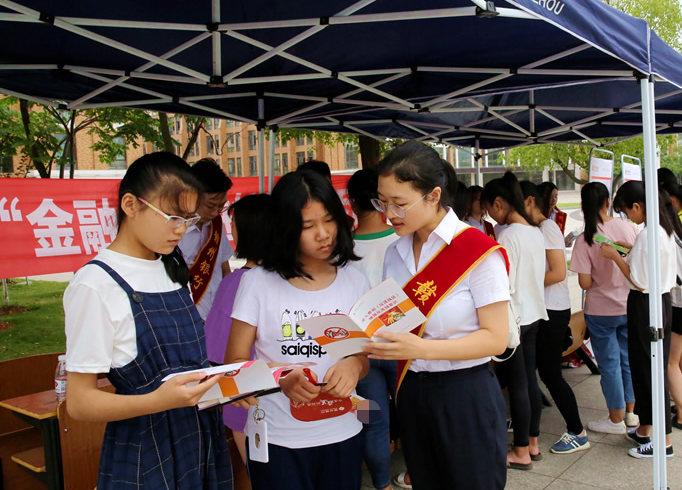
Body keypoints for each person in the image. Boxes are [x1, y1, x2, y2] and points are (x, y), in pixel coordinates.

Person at [63, 152, 232, 489]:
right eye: (172, 217)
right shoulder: (95, 284)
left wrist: (236, 383)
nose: (181, 230)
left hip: (199, 436)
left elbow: (188, 364)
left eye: (187, 218)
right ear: (130, 204)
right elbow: (79, 403)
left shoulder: (172, 268)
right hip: (145, 447)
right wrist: (159, 401)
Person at [365, 141, 511, 490]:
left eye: (399, 203)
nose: (389, 214)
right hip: (413, 392)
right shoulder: (394, 253)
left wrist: (420, 350)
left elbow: (495, 338)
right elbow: (397, 321)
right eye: (382, 202)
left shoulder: (477, 251)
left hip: (465, 394)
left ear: (433, 195)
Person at [226, 169, 370, 490]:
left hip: (342, 431)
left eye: (329, 220)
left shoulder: (354, 280)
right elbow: (235, 364)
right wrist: (281, 378)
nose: (323, 234)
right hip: (276, 438)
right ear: (285, 228)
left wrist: (352, 365)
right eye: (308, 226)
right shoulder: (257, 283)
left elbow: (363, 360)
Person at [600, 180, 680, 458]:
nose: (626, 217)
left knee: (647, 370)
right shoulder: (663, 229)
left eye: (626, 211)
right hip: (661, 303)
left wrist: (614, 256)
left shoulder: (648, 234)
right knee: (646, 366)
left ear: (638, 206)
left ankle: (663, 441)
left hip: (646, 305)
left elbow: (640, 281)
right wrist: (628, 250)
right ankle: (646, 428)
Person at [482, 172, 552, 468]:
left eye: (489, 209)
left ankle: (521, 450)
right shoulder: (535, 231)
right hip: (534, 314)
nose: (489, 216)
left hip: (515, 319)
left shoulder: (508, 236)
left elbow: (503, 285)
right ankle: (532, 443)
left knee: (518, 385)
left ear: (499, 203)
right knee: (529, 382)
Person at [520, 181, 589, 452]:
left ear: (527, 201)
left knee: (550, 374)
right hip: (542, 308)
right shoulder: (537, 228)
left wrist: (523, 284)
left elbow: (559, 273)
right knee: (531, 372)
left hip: (552, 311)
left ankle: (577, 431)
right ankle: (525, 421)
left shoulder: (547, 227)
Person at [203, 193, 272, 464]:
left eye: (234, 225)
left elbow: (216, 348)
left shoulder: (237, 282)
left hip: (246, 397)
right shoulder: (295, 279)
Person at [569, 182, 639, 433]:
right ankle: (631, 414)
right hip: (629, 306)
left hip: (600, 310)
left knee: (609, 364)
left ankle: (615, 418)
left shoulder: (584, 239)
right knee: (628, 360)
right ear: (607, 202)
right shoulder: (628, 227)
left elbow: (584, 282)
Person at [346, 168, 399, 490]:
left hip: (359, 353)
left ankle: (382, 485)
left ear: (351, 203)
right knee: (415, 415)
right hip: (400, 347)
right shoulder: (402, 242)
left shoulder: (340, 251)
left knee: (372, 423)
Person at [178, 158, 234, 320]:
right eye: (210, 206)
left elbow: (224, 268)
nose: (216, 212)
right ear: (191, 196)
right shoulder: (176, 230)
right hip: (187, 316)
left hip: (215, 313)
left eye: (221, 206)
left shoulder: (216, 226)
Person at [658, 179, 682, 431]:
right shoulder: (678, 231)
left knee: (671, 363)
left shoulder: (668, 235)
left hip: (677, 303)